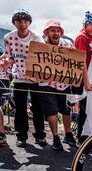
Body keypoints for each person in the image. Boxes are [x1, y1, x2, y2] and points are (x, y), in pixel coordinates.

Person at [0, 9, 46, 148]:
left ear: (29, 23)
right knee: (20, 108)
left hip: (35, 78)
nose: (22, 24)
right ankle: (21, 136)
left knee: (37, 107)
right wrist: (7, 62)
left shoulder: (37, 38)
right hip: (19, 77)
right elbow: (10, 56)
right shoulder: (8, 37)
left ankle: (40, 135)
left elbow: (44, 58)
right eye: (19, 21)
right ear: (14, 23)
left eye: (25, 21)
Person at [40, 21, 78, 150]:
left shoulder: (67, 44)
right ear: (47, 32)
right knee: (51, 112)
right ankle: (56, 138)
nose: (55, 33)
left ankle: (68, 134)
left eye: (58, 31)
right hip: (46, 83)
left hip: (63, 83)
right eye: (52, 30)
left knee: (66, 110)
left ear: (61, 32)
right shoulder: (40, 46)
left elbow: (76, 62)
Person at [74, 11, 92, 145]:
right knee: (85, 108)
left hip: (91, 76)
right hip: (82, 78)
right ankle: (81, 137)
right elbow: (81, 61)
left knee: (91, 108)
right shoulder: (81, 38)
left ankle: (87, 135)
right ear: (86, 24)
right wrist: (86, 82)